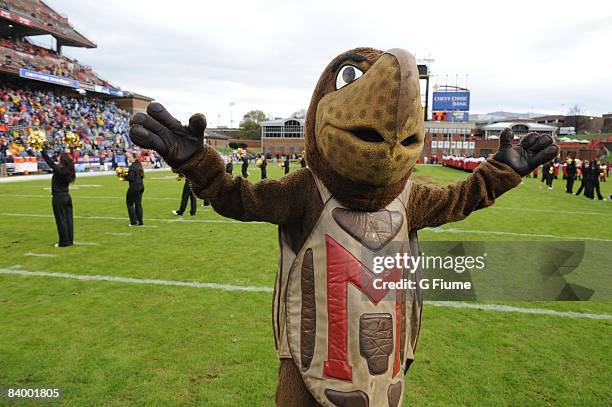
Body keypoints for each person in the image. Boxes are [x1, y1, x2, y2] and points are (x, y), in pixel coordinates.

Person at [41, 147, 76, 247]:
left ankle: (64, 242)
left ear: (63, 160)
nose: (58, 159)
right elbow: (71, 158)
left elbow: (50, 162)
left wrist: (42, 150)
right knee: (69, 220)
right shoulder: (69, 170)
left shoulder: (60, 170)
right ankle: (69, 240)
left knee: (61, 220)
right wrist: (72, 148)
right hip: (67, 196)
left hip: (59, 197)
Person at [125, 153, 145, 226]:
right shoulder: (139, 165)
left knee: (130, 204)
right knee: (138, 204)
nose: (128, 159)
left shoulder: (132, 167)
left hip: (134, 187)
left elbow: (131, 178)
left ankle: (133, 222)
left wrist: (124, 176)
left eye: (130, 157)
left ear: (134, 158)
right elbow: (142, 176)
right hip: (141, 187)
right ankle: (140, 222)